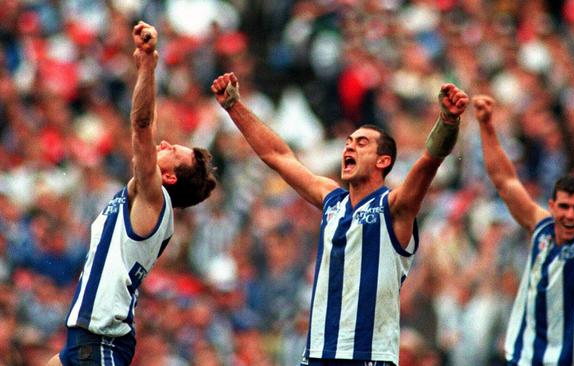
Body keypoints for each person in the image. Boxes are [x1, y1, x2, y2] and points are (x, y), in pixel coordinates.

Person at [211, 72, 468, 366]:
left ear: (383, 161)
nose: (349, 147)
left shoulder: (394, 207)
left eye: (361, 143)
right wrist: (234, 106)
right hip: (319, 353)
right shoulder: (331, 199)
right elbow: (278, 155)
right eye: (348, 142)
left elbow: (428, 163)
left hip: (367, 356)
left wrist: (447, 122)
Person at [47, 21, 217, 366]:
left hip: (102, 341)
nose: (165, 142)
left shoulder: (155, 198)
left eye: (174, 151)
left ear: (167, 177)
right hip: (83, 338)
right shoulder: (143, 197)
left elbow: (141, 126)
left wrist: (148, 62)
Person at [471, 95, 574, 366]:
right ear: (552, 206)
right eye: (563, 207)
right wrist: (486, 124)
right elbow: (504, 180)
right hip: (522, 360)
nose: (569, 215)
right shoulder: (541, 228)